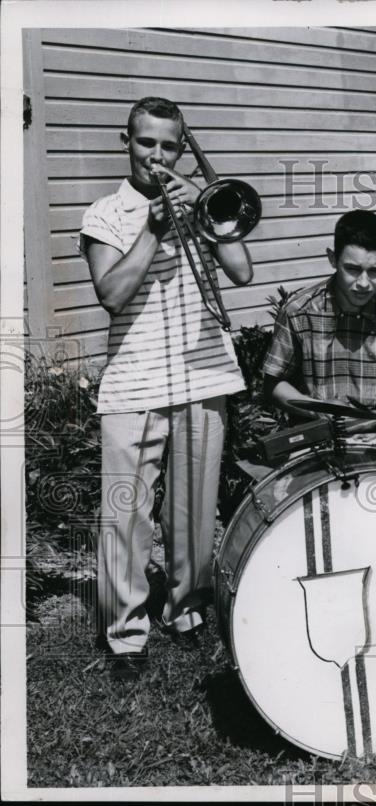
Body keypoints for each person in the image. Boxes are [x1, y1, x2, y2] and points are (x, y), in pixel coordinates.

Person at [80, 96, 253, 680]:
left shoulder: (199, 204)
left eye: (168, 145)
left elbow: (242, 271)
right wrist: (155, 228)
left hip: (203, 371)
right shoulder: (105, 213)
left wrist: (205, 216)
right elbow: (110, 294)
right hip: (134, 380)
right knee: (125, 514)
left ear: (182, 147)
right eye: (145, 142)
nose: (156, 155)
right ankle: (126, 632)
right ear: (125, 141)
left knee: (193, 514)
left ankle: (185, 610)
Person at [263, 209, 376, 430]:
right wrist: (319, 410)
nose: (364, 283)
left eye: (375, 271)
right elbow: (273, 384)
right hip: (316, 435)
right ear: (332, 258)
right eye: (353, 269)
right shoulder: (299, 311)